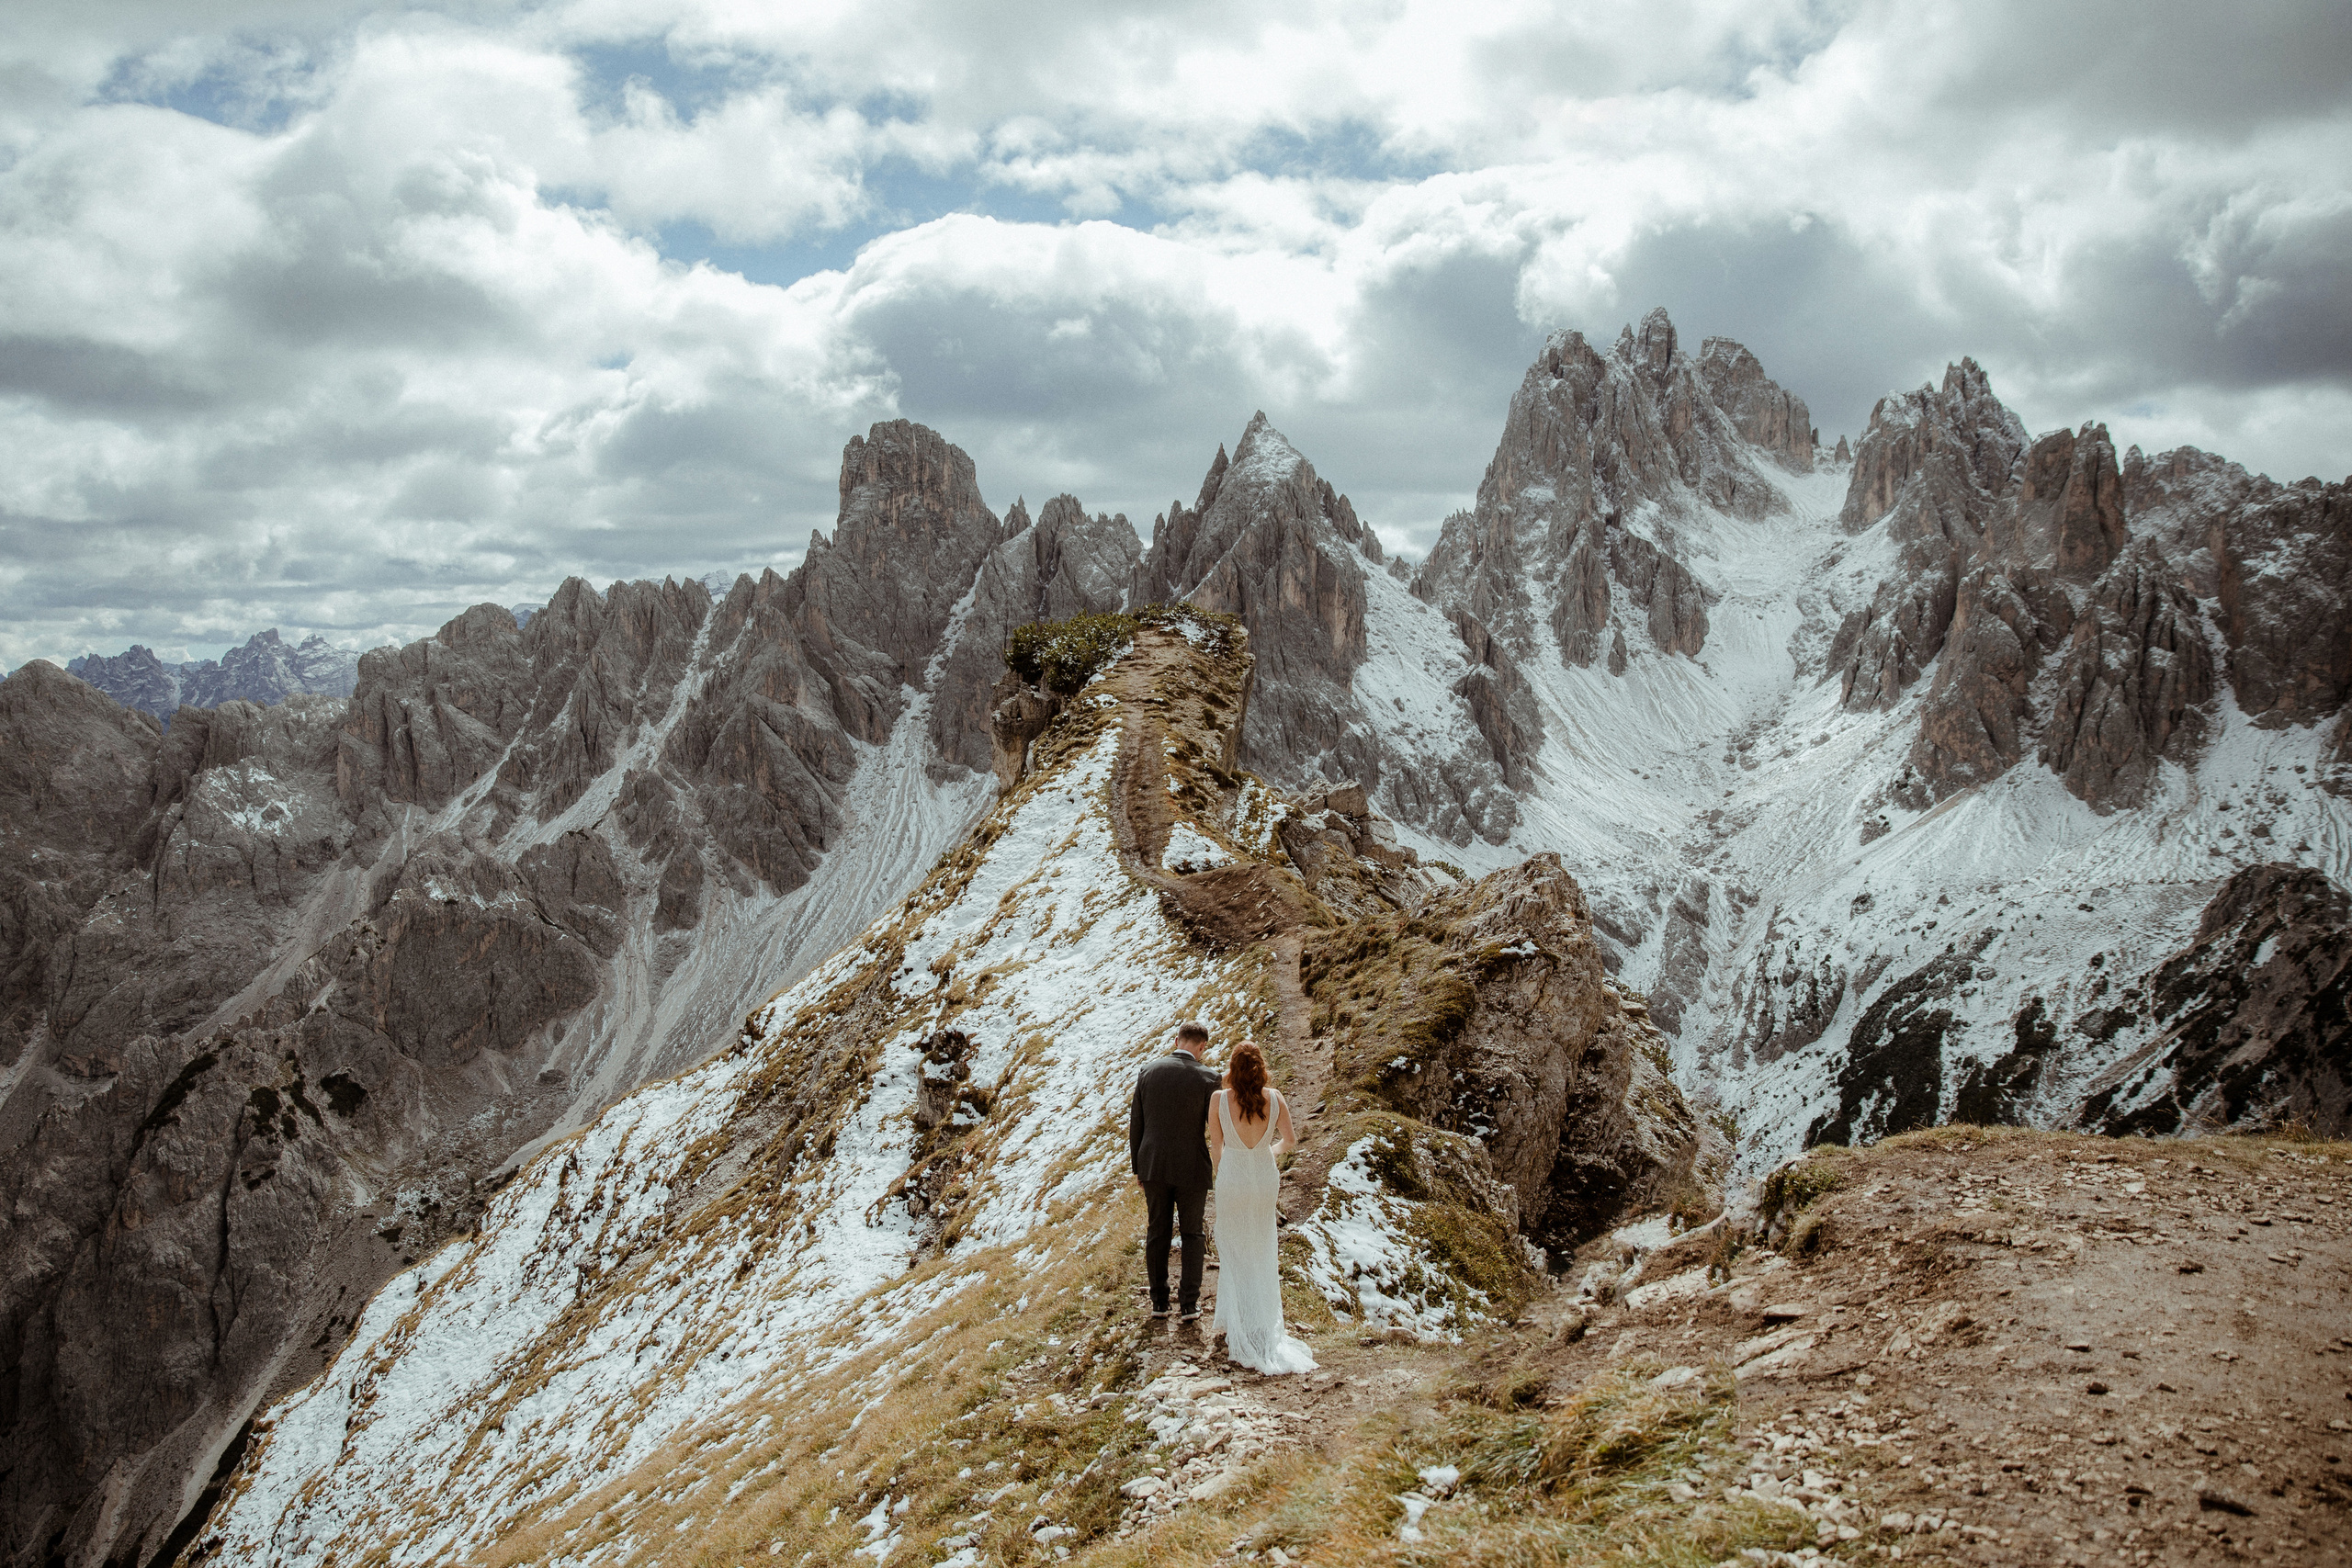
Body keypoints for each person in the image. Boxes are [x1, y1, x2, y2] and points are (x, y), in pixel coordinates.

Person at [1207, 1040, 1318, 1374]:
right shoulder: (1276, 1097)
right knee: (1262, 1242)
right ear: (1261, 1067)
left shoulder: (1218, 1099)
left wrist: (1224, 1173)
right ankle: (1260, 1319)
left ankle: (1239, 1318)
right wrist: (1268, 1152)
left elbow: (1216, 1147)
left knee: (1233, 1245)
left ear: (1232, 1068)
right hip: (1264, 1175)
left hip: (1233, 1174)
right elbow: (1290, 1141)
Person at [1128, 1021, 1221, 1320]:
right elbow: (1215, 1127)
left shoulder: (1148, 1071)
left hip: (1153, 1164)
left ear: (1176, 1040)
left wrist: (1138, 1167)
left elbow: (1137, 1123)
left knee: (1158, 1231)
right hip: (1192, 1166)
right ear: (1202, 1046)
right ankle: (1189, 1303)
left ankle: (1159, 1302)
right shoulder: (1209, 1077)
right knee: (1193, 1233)